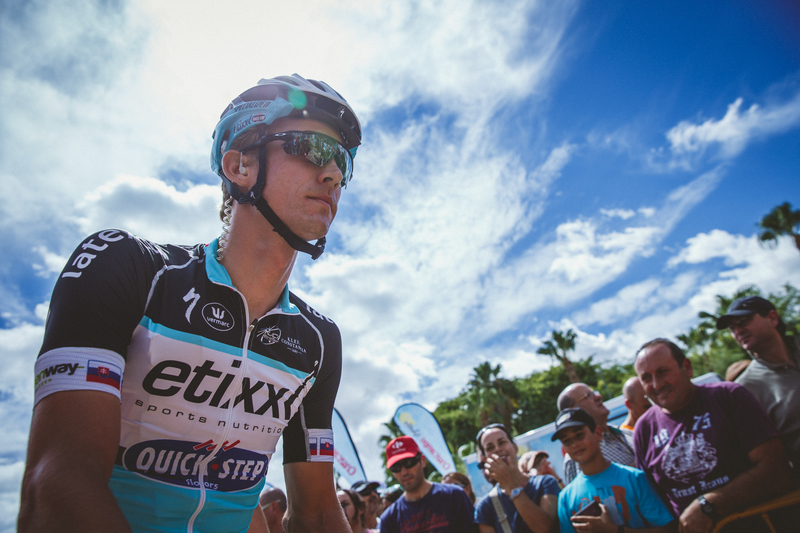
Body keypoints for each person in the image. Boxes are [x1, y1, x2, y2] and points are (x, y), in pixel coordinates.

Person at [18, 74, 362, 533]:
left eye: (341, 161)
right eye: (312, 149)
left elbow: (318, 513)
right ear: (240, 166)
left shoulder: (319, 341)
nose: (333, 173)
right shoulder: (127, 269)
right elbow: (57, 487)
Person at [633, 338, 791, 533]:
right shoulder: (644, 429)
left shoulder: (728, 397)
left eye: (663, 372)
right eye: (646, 378)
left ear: (687, 367)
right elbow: (655, 505)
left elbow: (777, 470)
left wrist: (709, 505)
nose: (657, 384)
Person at [553, 408, 675, 533]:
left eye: (579, 435)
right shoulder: (566, 498)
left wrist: (614, 531)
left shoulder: (634, 478)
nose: (575, 444)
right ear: (564, 449)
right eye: (567, 441)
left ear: (598, 433)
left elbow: (667, 529)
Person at [716, 295, 800, 473]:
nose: (738, 330)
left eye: (744, 321)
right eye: (732, 328)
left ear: (772, 318)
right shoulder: (744, 389)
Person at [379, 436, 476, 533]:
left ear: (422, 460)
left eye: (409, 462)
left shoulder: (453, 496)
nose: (404, 472)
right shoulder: (389, 519)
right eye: (396, 467)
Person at [474, 423, 559, 533]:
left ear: (515, 447)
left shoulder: (545, 484)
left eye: (502, 442)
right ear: (485, 460)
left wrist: (512, 485)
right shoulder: (486, 507)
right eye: (490, 447)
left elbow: (545, 529)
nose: (498, 449)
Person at [557, 383, 636, 484]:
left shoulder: (627, 433)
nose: (599, 396)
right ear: (573, 410)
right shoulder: (578, 454)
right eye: (588, 396)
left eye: (594, 393)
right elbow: (592, 495)